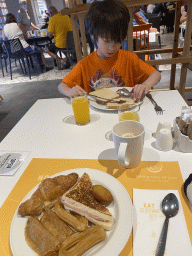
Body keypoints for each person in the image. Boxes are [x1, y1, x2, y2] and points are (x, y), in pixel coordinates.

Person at [58, 0, 161, 101]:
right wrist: (70, 91)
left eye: (118, 41)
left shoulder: (129, 59)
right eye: (106, 41)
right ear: (94, 36)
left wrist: (145, 85)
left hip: (125, 111)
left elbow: (156, 74)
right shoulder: (85, 64)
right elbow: (62, 85)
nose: (112, 48)